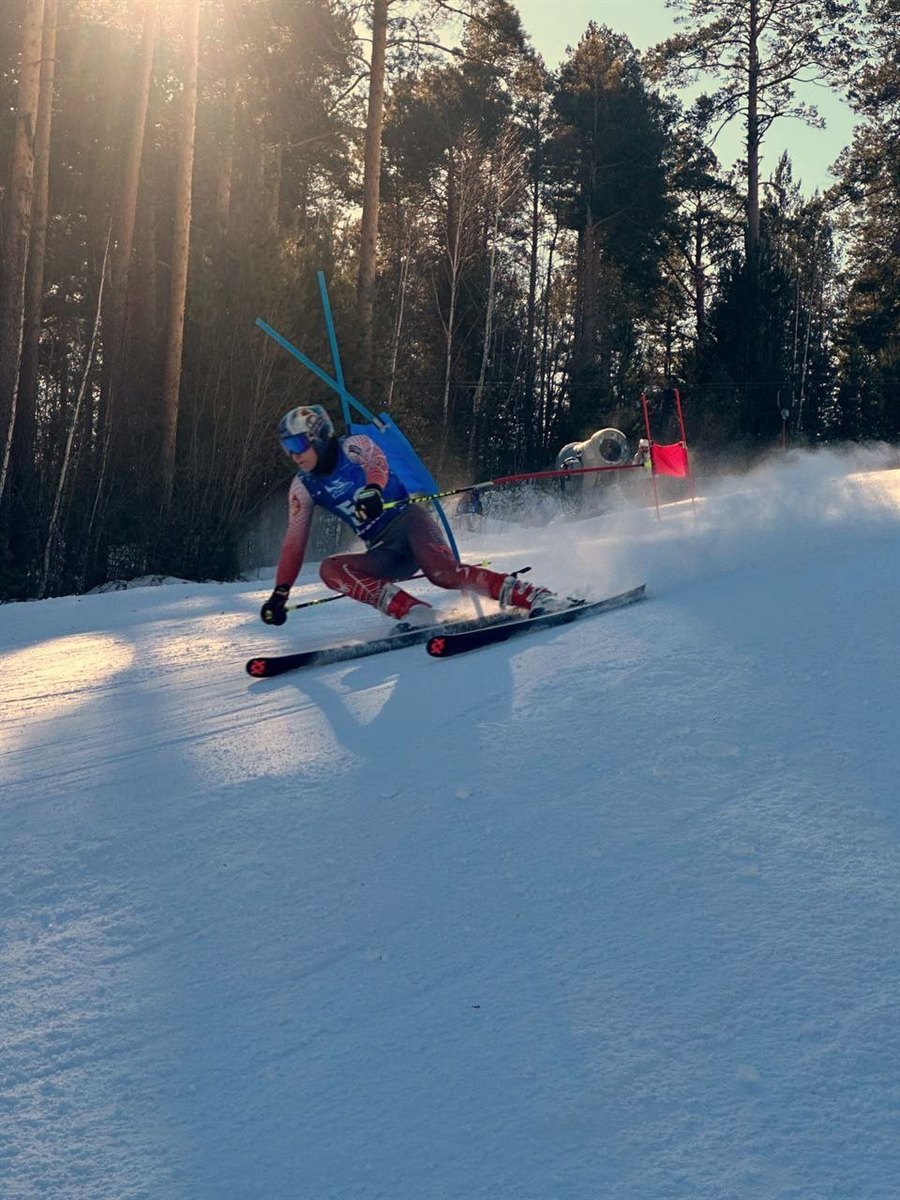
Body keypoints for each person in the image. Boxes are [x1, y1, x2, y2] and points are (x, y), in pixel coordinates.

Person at [260, 405, 566, 631]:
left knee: (443, 573)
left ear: (318, 437)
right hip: (385, 550)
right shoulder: (302, 487)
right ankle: (415, 612)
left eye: (297, 445)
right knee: (331, 569)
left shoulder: (353, 446)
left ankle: (535, 596)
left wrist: (373, 490)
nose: (293, 455)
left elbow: (377, 464)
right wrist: (280, 592)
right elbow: (293, 543)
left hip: (409, 523)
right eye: (287, 448)